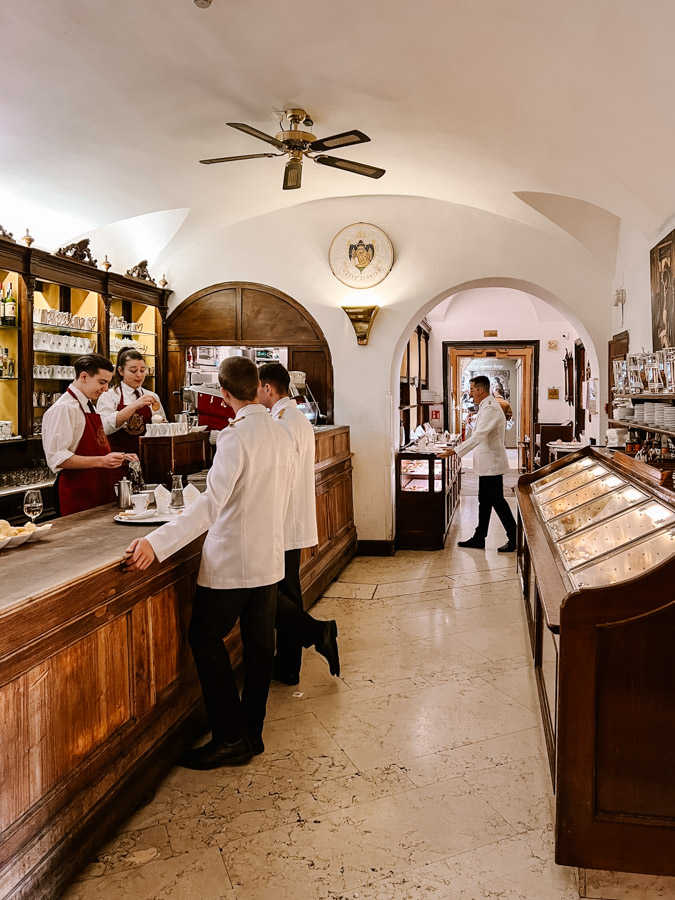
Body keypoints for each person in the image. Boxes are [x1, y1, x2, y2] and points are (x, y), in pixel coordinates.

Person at [125, 356, 294, 770]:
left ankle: (230, 736)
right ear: (257, 386)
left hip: (234, 561)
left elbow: (211, 507)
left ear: (223, 394)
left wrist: (156, 542)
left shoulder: (236, 438)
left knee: (203, 638)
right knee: (259, 647)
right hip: (268, 557)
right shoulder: (279, 431)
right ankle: (251, 733)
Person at [257, 362, 340, 684]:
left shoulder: (284, 422)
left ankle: (314, 636)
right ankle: (291, 663)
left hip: (283, 518)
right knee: (286, 592)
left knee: (281, 593)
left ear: (267, 387)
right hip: (290, 518)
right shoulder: (292, 417)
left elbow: (280, 474)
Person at [42, 353, 131, 516]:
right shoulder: (64, 408)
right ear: (83, 377)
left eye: (108, 383)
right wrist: (102, 461)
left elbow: (95, 447)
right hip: (78, 493)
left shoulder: (88, 405)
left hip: (98, 489)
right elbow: (58, 458)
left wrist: (119, 458)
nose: (105, 389)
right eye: (102, 382)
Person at [449, 375, 517, 552]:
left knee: (497, 501)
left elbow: (480, 436)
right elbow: (481, 431)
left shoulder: (490, 408)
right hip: (487, 463)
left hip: (492, 464)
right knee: (484, 501)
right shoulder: (485, 406)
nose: (470, 393)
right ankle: (479, 538)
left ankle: (515, 537)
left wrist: (456, 451)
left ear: (480, 389)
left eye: (472, 389)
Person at [97, 347, 166, 454]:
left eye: (142, 370)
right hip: (119, 459)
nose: (139, 375)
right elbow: (104, 428)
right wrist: (135, 405)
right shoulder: (109, 396)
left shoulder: (152, 396)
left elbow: (161, 426)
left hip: (148, 456)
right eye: (133, 371)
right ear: (120, 371)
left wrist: (162, 425)